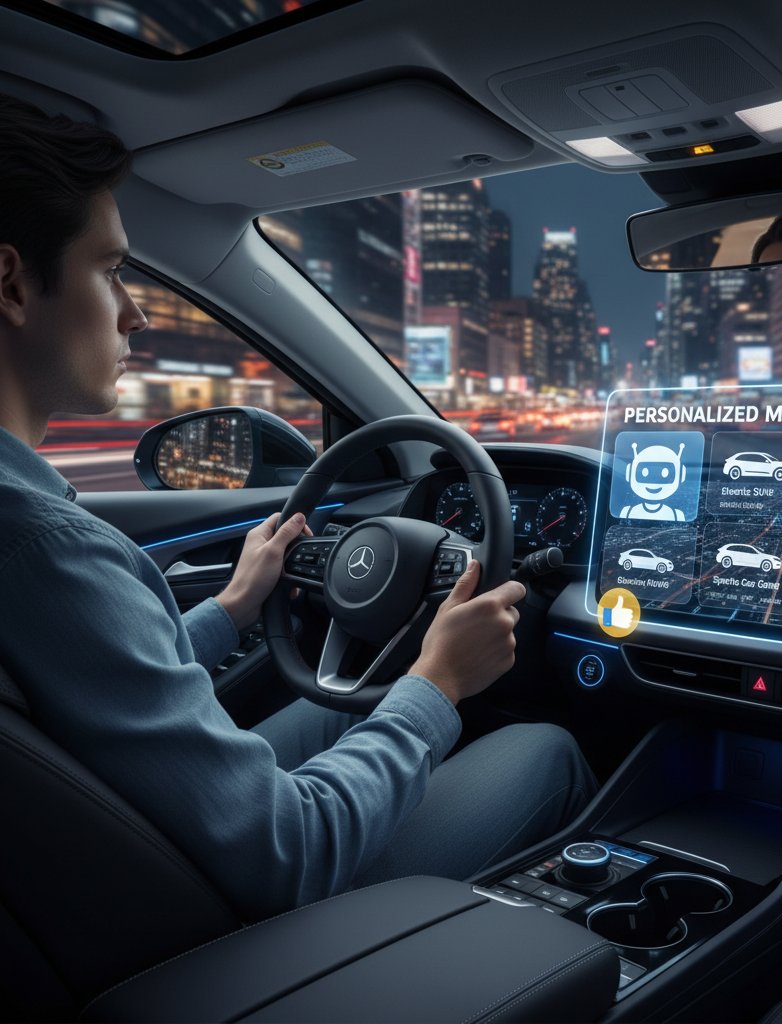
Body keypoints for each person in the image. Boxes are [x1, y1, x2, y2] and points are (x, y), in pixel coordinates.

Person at [0, 94, 596, 920]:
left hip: (120, 872)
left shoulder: (30, 539)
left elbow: (106, 682)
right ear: (11, 284)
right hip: (220, 927)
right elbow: (294, 852)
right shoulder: (45, 551)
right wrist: (438, 679)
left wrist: (236, 605)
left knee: (330, 710)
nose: (133, 311)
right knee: (547, 746)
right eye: (110, 271)